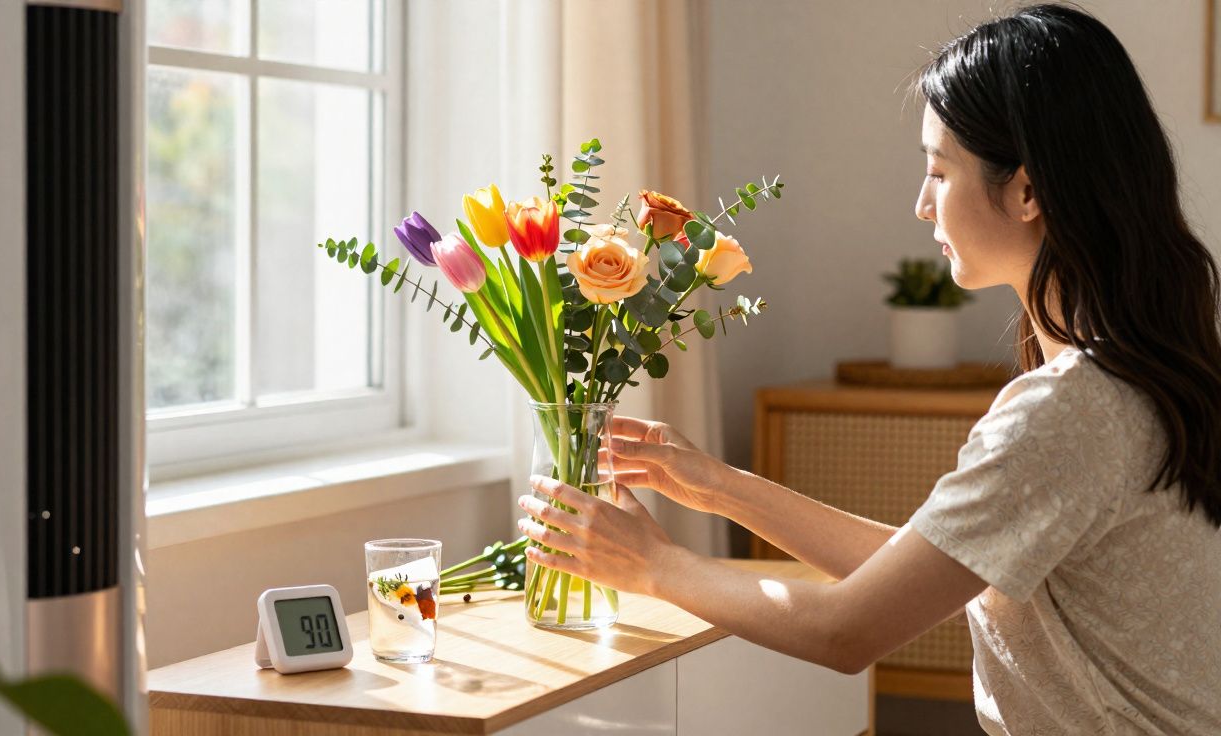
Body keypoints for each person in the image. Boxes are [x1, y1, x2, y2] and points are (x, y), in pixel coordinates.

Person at [515, 4, 1221, 734]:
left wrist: (654, 566)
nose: (921, 205)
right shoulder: (1136, 375)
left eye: (939, 172)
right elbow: (921, 567)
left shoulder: (1068, 412)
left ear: (1027, 190)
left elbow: (844, 631)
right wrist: (719, 487)